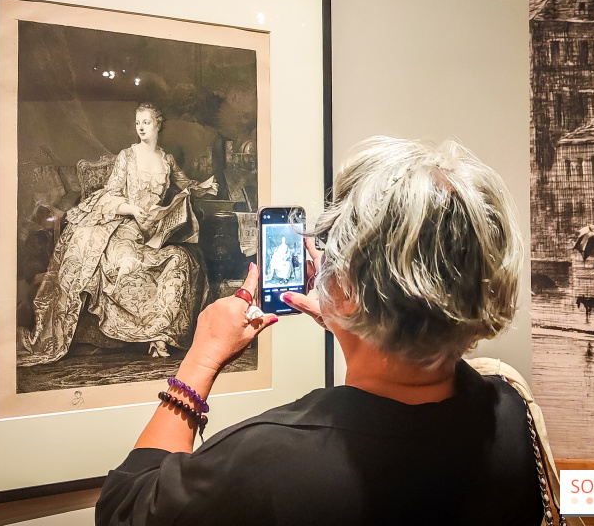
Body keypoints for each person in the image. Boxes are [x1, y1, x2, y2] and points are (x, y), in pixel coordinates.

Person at [96, 137, 543, 526]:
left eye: (330, 249)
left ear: (349, 287)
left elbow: (125, 507)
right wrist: (356, 319)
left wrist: (202, 358)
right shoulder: (507, 415)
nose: (320, 256)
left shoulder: (271, 460)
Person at [18, 103, 218, 365]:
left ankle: (161, 334)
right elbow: (111, 195)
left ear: (158, 124)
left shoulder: (167, 160)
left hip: (155, 233)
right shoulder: (128, 156)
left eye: (147, 122)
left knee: (181, 261)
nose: (142, 127)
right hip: (124, 228)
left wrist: (203, 186)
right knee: (127, 263)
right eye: (138, 123)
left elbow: (185, 184)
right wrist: (134, 209)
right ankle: (146, 334)